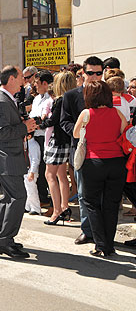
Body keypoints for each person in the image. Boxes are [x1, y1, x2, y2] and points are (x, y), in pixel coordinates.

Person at [0, 66, 37, 258]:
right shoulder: (1, 101)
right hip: (6, 157)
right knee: (18, 198)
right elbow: (2, 133)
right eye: (20, 77)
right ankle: (4, 240)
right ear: (11, 79)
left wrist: (24, 126)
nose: (24, 80)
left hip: (8, 156)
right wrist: (24, 128)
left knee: (9, 198)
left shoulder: (6, 99)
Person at [73, 81, 127, 257]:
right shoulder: (117, 113)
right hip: (117, 163)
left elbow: (75, 133)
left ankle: (101, 244)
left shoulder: (86, 113)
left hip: (93, 162)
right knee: (111, 205)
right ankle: (109, 245)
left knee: (91, 203)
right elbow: (124, 132)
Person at [60, 56, 104, 245]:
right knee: (85, 194)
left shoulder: (108, 94)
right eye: (90, 73)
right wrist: (79, 134)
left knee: (105, 195)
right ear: (83, 74)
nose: (94, 77)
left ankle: (104, 232)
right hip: (82, 151)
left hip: (107, 152)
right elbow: (64, 122)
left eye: (99, 73)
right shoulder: (71, 96)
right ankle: (88, 231)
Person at [42, 71, 76, 225]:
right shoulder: (73, 99)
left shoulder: (59, 100)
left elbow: (53, 121)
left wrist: (38, 123)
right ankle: (64, 207)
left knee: (50, 175)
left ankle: (57, 211)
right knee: (62, 175)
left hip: (56, 140)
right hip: (66, 141)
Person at [28, 70, 54, 206]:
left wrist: (38, 123)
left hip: (46, 137)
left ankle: (45, 198)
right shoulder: (37, 98)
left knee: (45, 169)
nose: (35, 86)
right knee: (35, 166)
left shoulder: (51, 99)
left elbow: (46, 120)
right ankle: (39, 197)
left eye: (37, 83)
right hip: (34, 137)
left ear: (45, 83)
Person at [24, 133, 41, 215]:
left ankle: (36, 208)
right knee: (27, 190)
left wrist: (32, 172)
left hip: (31, 171)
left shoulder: (34, 145)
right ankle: (27, 206)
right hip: (26, 170)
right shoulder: (26, 144)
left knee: (31, 190)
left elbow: (35, 160)